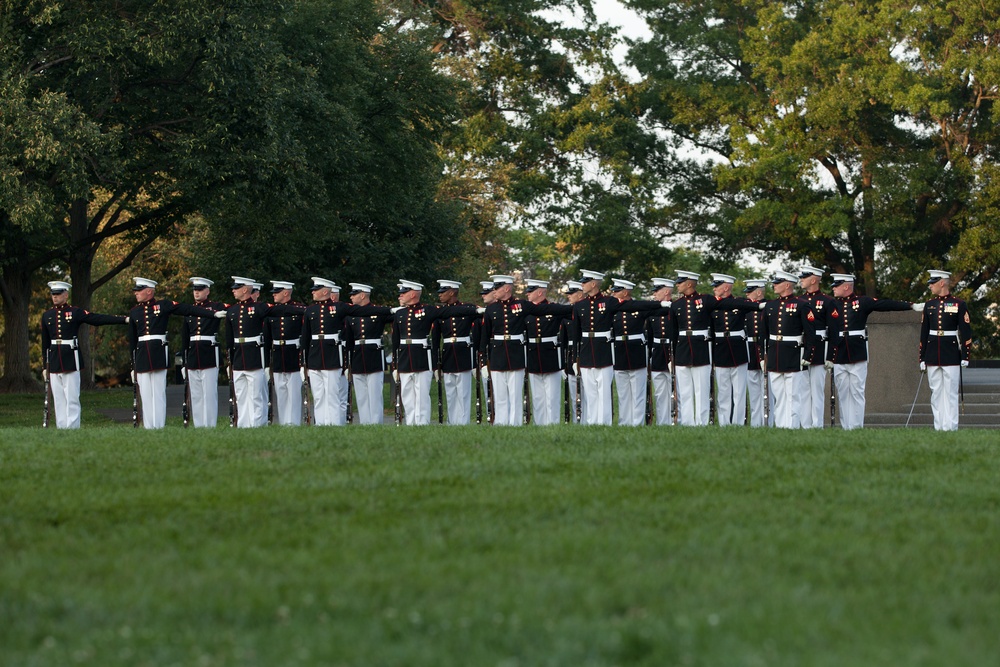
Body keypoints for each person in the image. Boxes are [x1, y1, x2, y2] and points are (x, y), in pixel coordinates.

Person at [825, 273, 920, 429]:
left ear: (846, 286)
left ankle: (856, 427)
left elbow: (885, 305)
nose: (833, 288)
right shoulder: (832, 305)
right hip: (839, 353)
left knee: (857, 392)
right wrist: (829, 356)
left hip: (857, 352)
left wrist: (910, 306)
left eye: (836, 285)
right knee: (843, 394)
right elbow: (830, 331)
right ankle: (846, 427)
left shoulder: (862, 302)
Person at [129, 277, 223, 429]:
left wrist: (212, 314)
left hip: (158, 353)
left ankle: (158, 426)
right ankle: (149, 427)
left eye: (139, 290)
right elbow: (132, 340)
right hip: (141, 355)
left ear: (149, 291)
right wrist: (132, 365)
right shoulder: (135, 312)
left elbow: (188, 309)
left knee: (158, 394)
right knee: (145, 395)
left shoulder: (163, 305)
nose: (136, 293)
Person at [572, 270, 663, 425]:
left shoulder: (609, 302)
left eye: (585, 282)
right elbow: (576, 334)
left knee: (604, 392)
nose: (582, 285)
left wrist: (659, 304)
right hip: (587, 351)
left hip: (604, 351)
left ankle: (604, 422)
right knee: (590, 392)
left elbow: (633, 305)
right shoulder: (580, 306)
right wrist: (576, 357)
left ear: (593, 284)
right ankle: (592, 422)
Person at [670, 270, 760, 426]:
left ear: (689, 283)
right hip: (685, 349)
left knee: (703, 391)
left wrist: (759, 305)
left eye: (680, 282)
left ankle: (703, 423)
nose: (677, 284)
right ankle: (687, 423)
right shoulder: (676, 304)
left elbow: (730, 304)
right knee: (685, 392)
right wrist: (672, 356)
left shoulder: (705, 300)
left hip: (705, 350)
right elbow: (673, 332)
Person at [480, 275, 572, 426]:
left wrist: (574, 308)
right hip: (497, 355)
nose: (494, 291)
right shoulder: (491, 308)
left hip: (516, 355)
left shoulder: (521, 305)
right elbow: (485, 336)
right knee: (500, 395)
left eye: (497, 288)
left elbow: (544, 309)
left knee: (515, 396)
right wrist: (483, 360)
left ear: (507, 288)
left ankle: (515, 424)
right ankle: (501, 424)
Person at [301, 277, 390, 426]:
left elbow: (363, 311)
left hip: (332, 357)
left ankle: (334, 424)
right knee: (318, 396)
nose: (313, 292)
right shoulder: (310, 310)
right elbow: (306, 337)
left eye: (316, 290)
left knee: (332, 395)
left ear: (325, 291)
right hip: (315, 356)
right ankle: (321, 424)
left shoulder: (339, 307)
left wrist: (389, 310)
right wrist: (303, 362)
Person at [40, 280, 127, 428]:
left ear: (66, 295)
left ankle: (73, 427)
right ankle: (61, 428)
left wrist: (123, 319)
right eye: (53, 294)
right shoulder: (47, 315)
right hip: (54, 360)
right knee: (59, 399)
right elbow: (45, 343)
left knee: (72, 398)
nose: (55, 296)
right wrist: (44, 366)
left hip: (70, 359)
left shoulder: (75, 312)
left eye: (58, 294)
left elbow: (96, 319)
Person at [393, 280, 478, 425]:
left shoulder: (427, 310)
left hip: (421, 357)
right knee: (406, 395)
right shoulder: (399, 313)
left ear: (413, 294)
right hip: (404, 357)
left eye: (404, 292)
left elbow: (451, 311)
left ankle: (422, 423)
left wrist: (475, 310)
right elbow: (396, 340)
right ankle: (410, 424)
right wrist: (395, 363)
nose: (400, 295)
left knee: (422, 395)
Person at [918, 270, 973, 431]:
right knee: (936, 392)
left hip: (951, 353)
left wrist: (965, 355)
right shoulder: (929, 305)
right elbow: (924, 333)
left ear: (942, 283)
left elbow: (966, 331)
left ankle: (951, 427)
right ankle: (939, 427)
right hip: (932, 352)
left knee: (950, 392)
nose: (930, 286)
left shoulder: (959, 304)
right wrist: (922, 357)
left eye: (932, 283)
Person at [761, 271, 816, 428]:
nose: (774, 285)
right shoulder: (770, 306)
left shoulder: (802, 305)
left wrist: (808, 355)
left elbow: (810, 333)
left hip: (793, 354)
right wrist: (762, 356)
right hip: (775, 354)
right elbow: (763, 334)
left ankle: (792, 427)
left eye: (777, 283)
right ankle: (780, 427)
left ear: (787, 285)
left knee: (793, 395)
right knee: (779, 396)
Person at [345, 283, 394, 425]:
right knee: (361, 396)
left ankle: (376, 423)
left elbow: (394, 317)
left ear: (362, 295)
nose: (351, 297)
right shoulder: (350, 315)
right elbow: (349, 341)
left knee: (375, 394)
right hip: (357, 356)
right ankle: (365, 423)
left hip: (374, 355)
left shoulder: (378, 311)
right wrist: (347, 362)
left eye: (354, 294)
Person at [180, 277, 227, 428]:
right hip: (193, 354)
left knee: (209, 393)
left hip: (209, 352)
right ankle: (199, 425)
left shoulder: (216, 307)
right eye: (195, 290)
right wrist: (184, 361)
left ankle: (210, 425)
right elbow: (185, 337)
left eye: (200, 290)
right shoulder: (189, 311)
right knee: (196, 394)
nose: (196, 292)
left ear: (207, 291)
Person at [709, 273, 753, 426]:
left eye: (717, 286)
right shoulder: (713, 306)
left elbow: (751, 306)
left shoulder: (739, 302)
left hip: (738, 349)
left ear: (726, 287)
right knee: (723, 391)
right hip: (720, 349)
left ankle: (738, 422)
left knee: (739, 391)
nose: (714, 289)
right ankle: (724, 423)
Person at [432, 280, 478, 424]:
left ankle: (463, 422)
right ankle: (452, 421)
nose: (440, 295)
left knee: (463, 393)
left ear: (452, 292)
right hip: (447, 354)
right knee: (450, 392)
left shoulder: (467, 308)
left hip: (463, 352)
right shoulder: (440, 313)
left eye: (443, 292)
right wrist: (436, 364)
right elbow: (435, 340)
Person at [798, 265, 837, 428]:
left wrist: (831, 356)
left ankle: (817, 424)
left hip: (820, 348)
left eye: (804, 277)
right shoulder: (799, 300)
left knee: (817, 389)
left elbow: (834, 330)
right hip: (802, 346)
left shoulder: (827, 301)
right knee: (803, 390)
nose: (801, 280)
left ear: (814, 280)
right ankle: (805, 425)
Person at [610, 278, 652, 426]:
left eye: (617, 291)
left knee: (638, 391)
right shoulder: (613, 309)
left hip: (636, 350)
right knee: (623, 392)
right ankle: (624, 421)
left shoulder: (638, 307)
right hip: (620, 350)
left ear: (625, 292)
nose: (613, 294)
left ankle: (637, 422)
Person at [523, 279, 564, 426]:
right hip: (533, 354)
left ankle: (553, 423)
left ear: (540, 292)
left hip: (550, 355)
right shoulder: (526, 311)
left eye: (531, 291)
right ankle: (539, 423)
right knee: (538, 397)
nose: (527, 294)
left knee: (552, 396)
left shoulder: (554, 308)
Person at [264, 280, 306, 425]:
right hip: (277, 355)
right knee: (281, 393)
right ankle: (283, 423)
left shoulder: (299, 309)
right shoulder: (271, 313)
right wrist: (266, 363)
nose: (274, 295)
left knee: (293, 393)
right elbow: (267, 340)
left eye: (277, 292)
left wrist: (303, 361)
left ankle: (293, 423)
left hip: (293, 354)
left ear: (286, 293)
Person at [645, 278, 676, 426]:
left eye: (657, 291)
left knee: (677, 390)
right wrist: (650, 355)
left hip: (672, 350)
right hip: (658, 352)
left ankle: (678, 420)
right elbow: (650, 336)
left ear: (666, 292)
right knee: (659, 392)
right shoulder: (653, 311)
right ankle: (663, 422)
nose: (654, 294)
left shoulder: (676, 308)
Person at [742, 279, 769, 427]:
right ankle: (756, 423)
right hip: (750, 348)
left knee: (769, 390)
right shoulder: (746, 308)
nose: (747, 295)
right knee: (753, 390)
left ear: (759, 292)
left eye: (750, 292)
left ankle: (769, 421)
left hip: (765, 348)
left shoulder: (769, 306)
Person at [559, 281, 586, 423]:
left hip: (586, 353)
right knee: (574, 394)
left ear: (580, 294)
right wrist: (563, 364)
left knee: (588, 392)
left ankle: (588, 420)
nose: (568, 296)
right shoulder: (566, 315)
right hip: (571, 356)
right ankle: (577, 421)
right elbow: (563, 342)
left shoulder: (587, 311)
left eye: (572, 293)